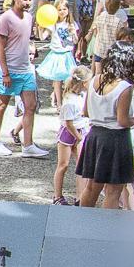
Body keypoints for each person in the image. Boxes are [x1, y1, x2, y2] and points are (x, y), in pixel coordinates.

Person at [76, 48, 134, 209]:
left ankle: (81, 222)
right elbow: (123, 121)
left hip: (95, 135)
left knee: (91, 186)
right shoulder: (124, 87)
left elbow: (85, 112)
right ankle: (105, 230)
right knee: (113, 190)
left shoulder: (94, 80)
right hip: (116, 139)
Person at [0, 0, 45, 157]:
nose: (28, 3)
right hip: (8, 69)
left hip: (25, 69)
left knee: (31, 105)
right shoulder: (5, 19)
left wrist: (32, 50)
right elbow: (0, 46)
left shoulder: (29, 17)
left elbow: (28, 39)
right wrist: (5, 72)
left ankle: (28, 145)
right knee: (1, 105)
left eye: (30, 0)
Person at [50, 67, 90, 206]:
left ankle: (80, 197)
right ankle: (57, 196)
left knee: (81, 165)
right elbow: (68, 123)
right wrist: (78, 137)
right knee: (63, 164)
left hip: (80, 130)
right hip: (69, 133)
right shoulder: (69, 101)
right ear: (84, 83)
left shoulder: (83, 96)